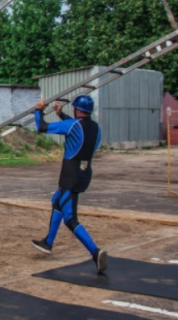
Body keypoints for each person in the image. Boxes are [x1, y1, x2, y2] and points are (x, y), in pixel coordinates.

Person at [31, 95, 108, 274]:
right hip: (84, 173)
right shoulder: (96, 128)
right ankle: (48, 242)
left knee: (70, 219)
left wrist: (38, 110)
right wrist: (61, 115)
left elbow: (41, 127)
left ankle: (95, 252)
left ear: (77, 109)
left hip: (70, 175)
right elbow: (76, 128)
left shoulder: (73, 125)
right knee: (57, 200)